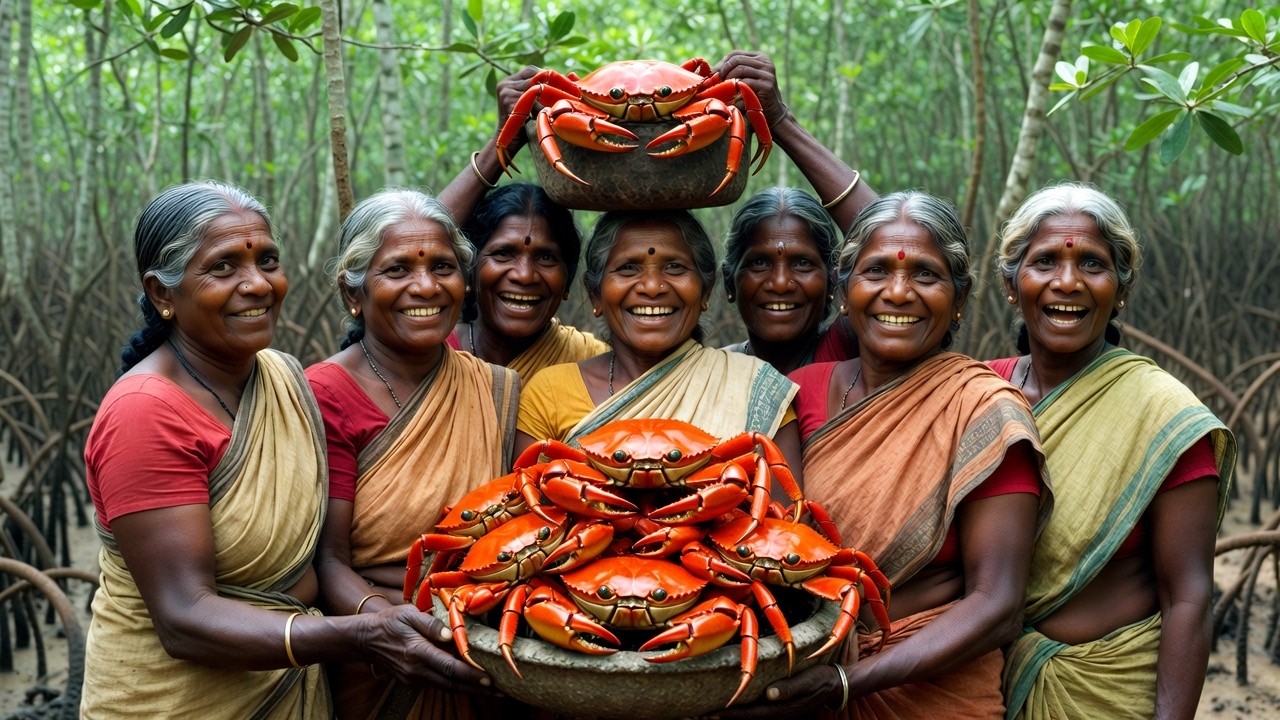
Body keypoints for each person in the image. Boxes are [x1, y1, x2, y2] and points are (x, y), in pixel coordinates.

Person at [82, 182, 478, 718]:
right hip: (176, 701)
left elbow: (419, 269)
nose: (257, 285)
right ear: (162, 294)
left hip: (292, 686)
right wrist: (357, 634)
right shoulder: (145, 412)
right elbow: (183, 616)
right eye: (224, 268)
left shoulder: (281, 377)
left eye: (268, 261)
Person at [720, 191, 1050, 719]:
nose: (898, 292)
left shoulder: (984, 409)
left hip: (933, 692)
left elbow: (998, 606)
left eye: (925, 274)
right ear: (845, 292)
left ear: (959, 297)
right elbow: (767, 548)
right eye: (875, 272)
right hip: (802, 677)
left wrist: (847, 682)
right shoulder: (796, 391)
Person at [990, 183, 1234, 720]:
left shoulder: (1163, 415)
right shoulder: (978, 396)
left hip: (1107, 691)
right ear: (1013, 283)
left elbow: (1188, 596)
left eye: (1093, 265)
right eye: (1045, 261)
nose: (1068, 282)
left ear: (1121, 288)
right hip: (979, 687)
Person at [305, 189, 522, 719]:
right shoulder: (322, 394)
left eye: (443, 266)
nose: (425, 286)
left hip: (487, 650)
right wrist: (389, 626)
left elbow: (524, 529)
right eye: (397, 269)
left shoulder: (495, 388)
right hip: (376, 657)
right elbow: (326, 559)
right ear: (353, 291)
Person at [514, 209, 800, 469]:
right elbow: (528, 518)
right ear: (595, 295)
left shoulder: (755, 388)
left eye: (674, 267)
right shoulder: (549, 393)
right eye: (628, 267)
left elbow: (785, 522)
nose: (652, 287)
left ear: (705, 291)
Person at [439, 72, 607, 382]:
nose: (524, 275)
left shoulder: (592, 365)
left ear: (568, 280)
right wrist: (502, 143)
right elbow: (418, 240)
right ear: (470, 271)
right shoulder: (430, 354)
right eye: (503, 254)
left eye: (546, 257)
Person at [720, 187, 856, 373]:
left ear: (832, 282)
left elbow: (890, 235)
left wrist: (800, 155)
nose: (780, 284)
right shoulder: (710, 373)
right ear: (730, 281)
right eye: (759, 263)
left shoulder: (846, 354)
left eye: (802, 263)